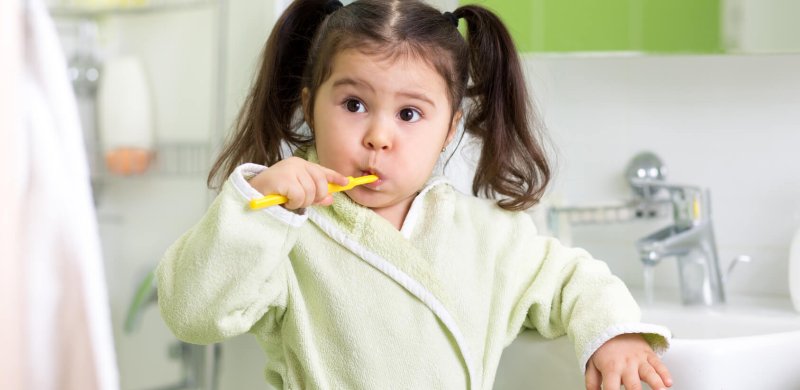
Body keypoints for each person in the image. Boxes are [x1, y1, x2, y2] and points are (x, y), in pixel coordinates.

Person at [156, 0, 673, 389]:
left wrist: (613, 332)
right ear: (310, 107)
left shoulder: (489, 235)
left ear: (449, 129)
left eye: (409, 114)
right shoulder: (286, 229)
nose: (379, 135)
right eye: (354, 104)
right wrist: (257, 209)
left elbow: (570, 278)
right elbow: (193, 314)